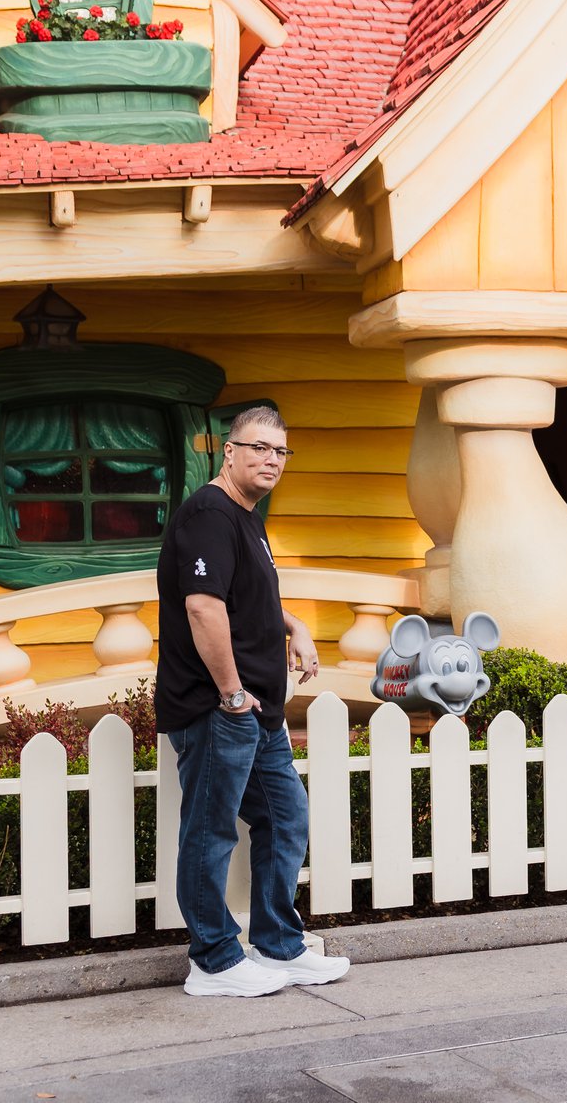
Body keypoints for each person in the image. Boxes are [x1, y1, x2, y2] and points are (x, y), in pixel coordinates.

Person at [154, 404, 351, 997]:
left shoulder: (245, 516)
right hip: (219, 709)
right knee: (211, 831)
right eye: (258, 447)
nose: (271, 459)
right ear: (229, 451)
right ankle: (213, 960)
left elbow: (245, 596)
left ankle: (277, 945)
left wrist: (296, 626)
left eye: (280, 451)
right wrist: (232, 693)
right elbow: (202, 606)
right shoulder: (209, 514)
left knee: (285, 816)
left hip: (255, 711)